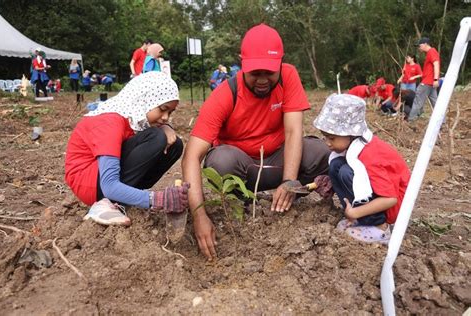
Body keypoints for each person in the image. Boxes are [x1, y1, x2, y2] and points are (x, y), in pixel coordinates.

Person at [182, 24, 331, 260]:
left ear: (281, 64)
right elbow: (192, 155)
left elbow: (293, 132)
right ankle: (240, 201)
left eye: (269, 73)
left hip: (278, 161)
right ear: (242, 65)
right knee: (220, 161)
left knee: (321, 152)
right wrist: (199, 216)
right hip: (243, 171)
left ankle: (286, 197)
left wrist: (290, 181)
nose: (262, 80)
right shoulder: (225, 94)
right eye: (255, 73)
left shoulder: (288, 76)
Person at [65, 72, 189, 225]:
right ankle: (104, 204)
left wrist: (166, 127)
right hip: (90, 183)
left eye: (170, 112)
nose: (165, 117)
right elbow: (109, 185)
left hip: (102, 178)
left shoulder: (133, 118)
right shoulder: (110, 121)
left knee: (174, 145)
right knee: (157, 138)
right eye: (162, 109)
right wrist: (158, 199)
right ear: (144, 100)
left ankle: (125, 197)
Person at [313, 94, 410, 244]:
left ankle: (379, 227)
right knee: (336, 166)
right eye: (325, 137)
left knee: (345, 171)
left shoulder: (370, 155)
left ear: (351, 134)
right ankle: (361, 219)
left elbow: (390, 199)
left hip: (395, 205)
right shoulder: (353, 148)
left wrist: (356, 211)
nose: (327, 143)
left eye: (332, 138)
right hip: (380, 197)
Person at [408, 37, 440, 121]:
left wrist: (436, 79)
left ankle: (410, 119)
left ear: (425, 44)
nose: (419, 48)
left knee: (417, 100)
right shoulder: (430, 52)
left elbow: (436, 64)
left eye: (420, 45)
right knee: (435, 103)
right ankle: (441, 121)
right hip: (430, 83)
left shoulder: (431, 51)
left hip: (427, 82)